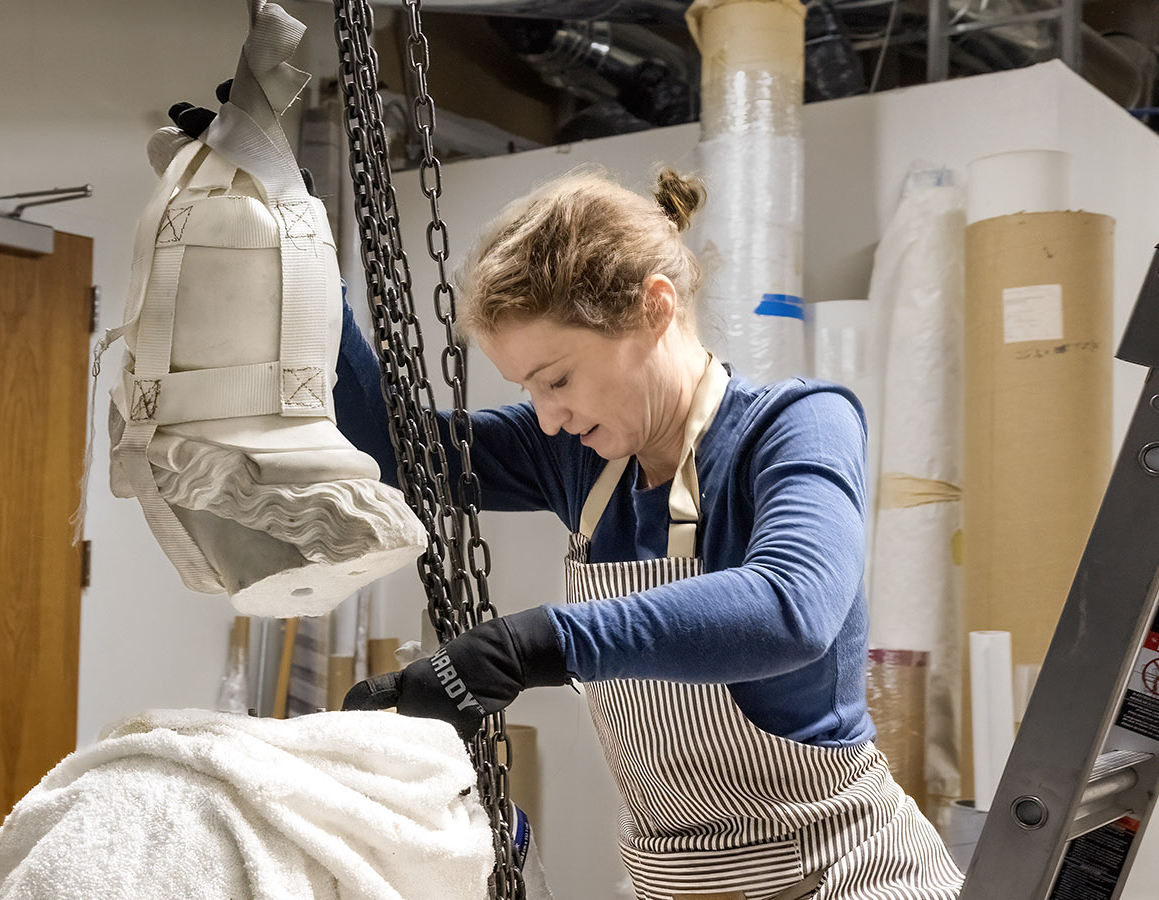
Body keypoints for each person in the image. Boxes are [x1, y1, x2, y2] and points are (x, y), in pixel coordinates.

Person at [336, 169, 964, 900]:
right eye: (527, 391)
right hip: (677, 883)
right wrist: (301, 242)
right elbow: (392, 449)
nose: (544, 416)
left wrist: (537, 643)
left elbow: (792, 609)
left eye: (558, 379)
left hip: (840, 873)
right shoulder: (571, 457)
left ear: (653, 310)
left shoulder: (796, 428)